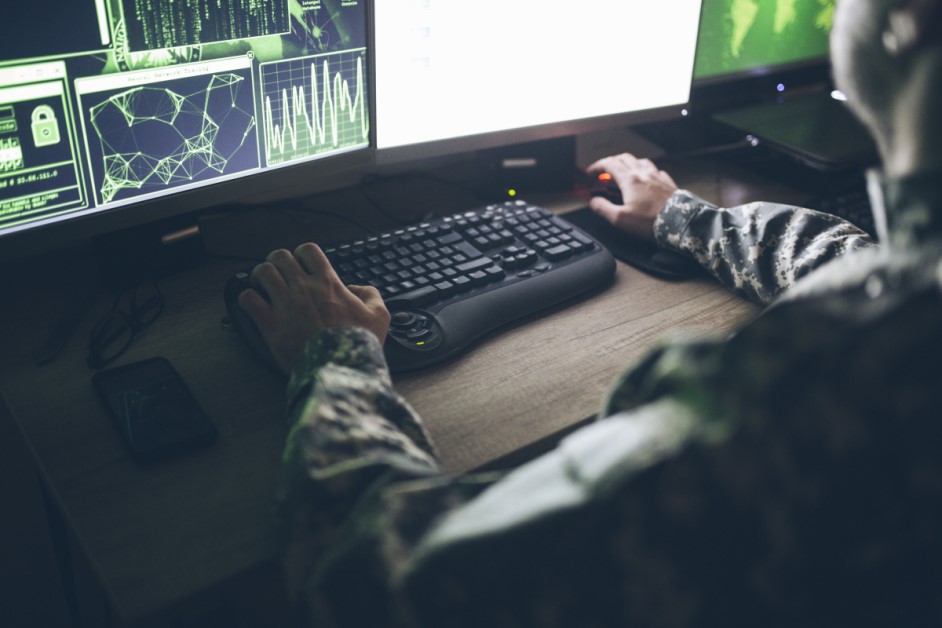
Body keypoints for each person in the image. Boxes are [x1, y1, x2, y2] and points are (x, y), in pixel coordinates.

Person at [238, 0, 942, 624]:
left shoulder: (809, 401)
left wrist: (334, 357)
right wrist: (686, 218)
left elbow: (374, 587)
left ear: (903, 24)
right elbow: (872, 265)